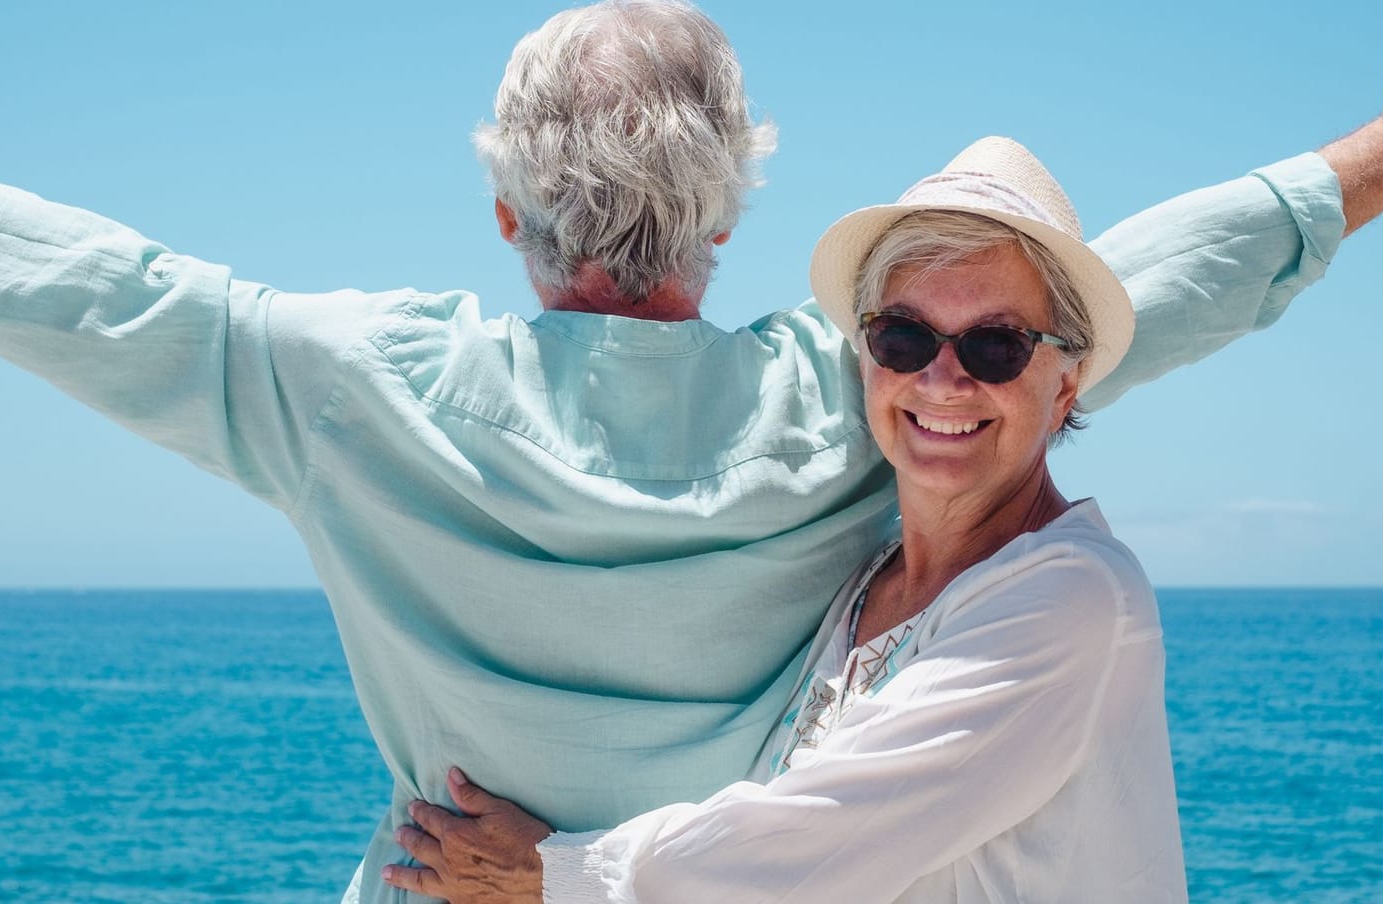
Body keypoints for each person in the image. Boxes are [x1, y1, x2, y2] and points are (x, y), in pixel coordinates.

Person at [0, 0, 1383, 904]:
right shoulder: (850, 404)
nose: (948, 361)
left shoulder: (348, 384)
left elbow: (96, 289)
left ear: (508, 218)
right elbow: (1129, 289)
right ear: (732, 211)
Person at [385, 137, 1187, 903]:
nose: (943, 380)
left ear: (1067, 384)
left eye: (997, 346)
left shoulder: (1073, 599)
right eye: (903, 336)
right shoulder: (872, 584)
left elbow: (824, 836)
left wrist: (555, 878)